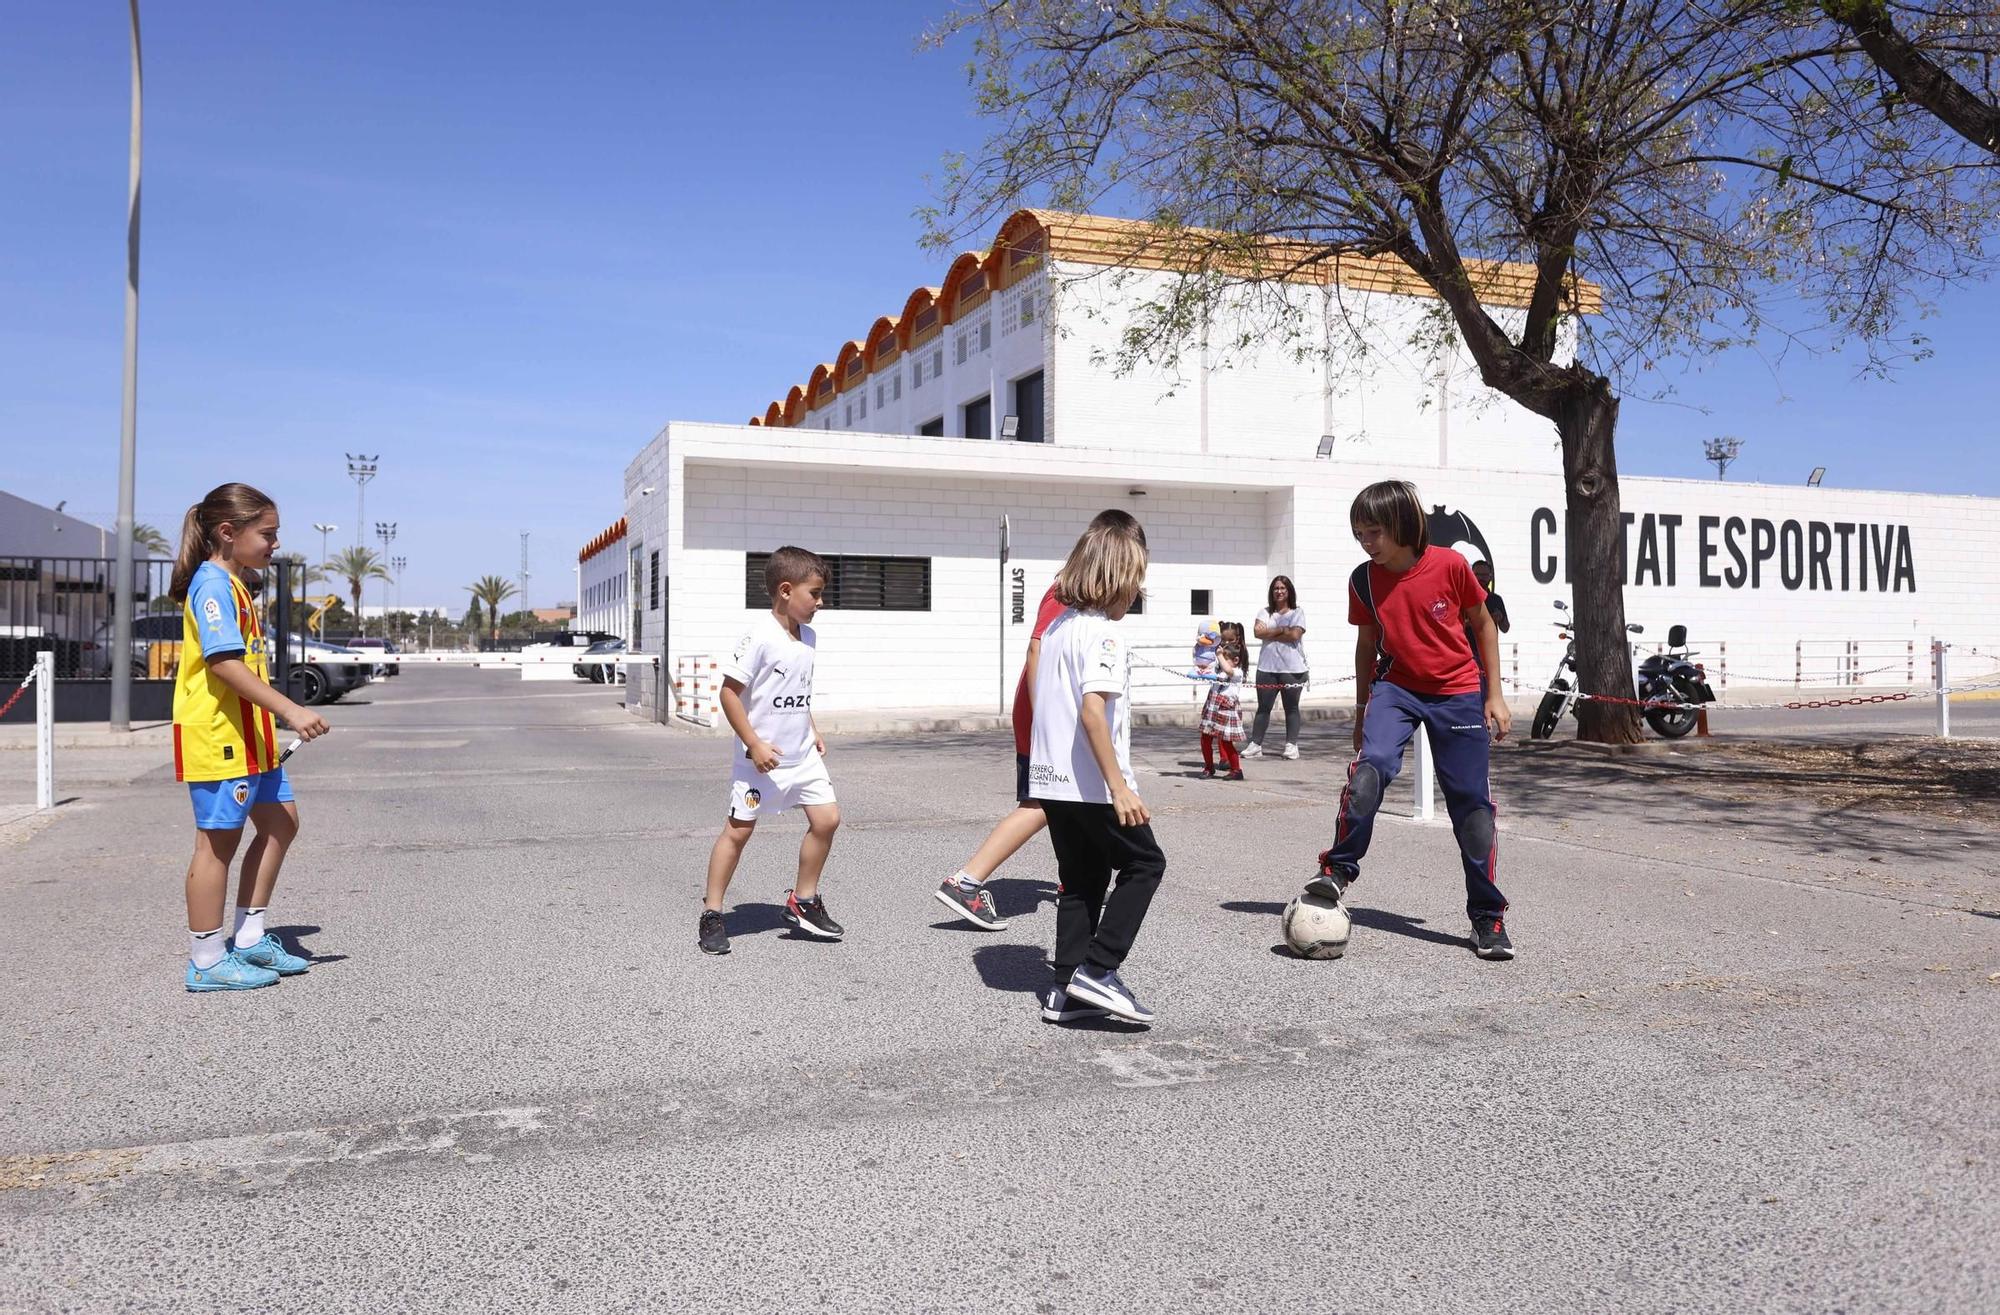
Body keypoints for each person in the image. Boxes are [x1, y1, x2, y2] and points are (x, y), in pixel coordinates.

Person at [1307, 480, 1516, 960]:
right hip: (1397, 689)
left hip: (1458, 692)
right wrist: (1362, 713)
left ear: (1402, 523)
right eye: (1359, 533)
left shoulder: (1450, 565)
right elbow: (1365, 647)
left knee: (1472, 808)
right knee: (1369, 771)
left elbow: (1484, 625)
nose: (1366, 542)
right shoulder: (1363, 580)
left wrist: (1495, 696)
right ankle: (1336, 870)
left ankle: (1488, 917)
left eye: (1374, 531)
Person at [934, 510, 1149, 931]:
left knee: (1057, 803)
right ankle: (967, 880)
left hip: (1053, 714)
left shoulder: (1074, 592)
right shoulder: (1068, 593)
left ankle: (1077, 880)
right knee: (1043, 801)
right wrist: (1043, 720)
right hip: (1048, 716)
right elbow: (1036, 652)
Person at [169, 483, 330, 992]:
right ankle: (208, 959)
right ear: (227, 532)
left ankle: (251, 936)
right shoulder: (212, 585)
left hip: (251, 736)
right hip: (219, 735)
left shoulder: (237, 583)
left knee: (281, 823)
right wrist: (289, 708)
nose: (275, 543)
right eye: (268, 534)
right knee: (216, 845)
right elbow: (223, 663)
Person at [1028, 518, 1163, 1025]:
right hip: (1092, 785)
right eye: (1136, 584)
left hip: (1052, 780)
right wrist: (1119, 787)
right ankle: (1099, 970)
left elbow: (1047, 698)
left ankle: (1065, 991)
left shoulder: (1059, 628)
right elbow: (1091, 713)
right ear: (1116, 581)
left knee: (1081, 880)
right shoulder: (1104, 636)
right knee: (1145, 864)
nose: (1137, 595)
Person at [700, 546, 842, 955]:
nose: (820, 602)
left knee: (828, 819)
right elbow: (728, 694)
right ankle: (712, 913)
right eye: (814, 594)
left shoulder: (809, 636)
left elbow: (797, 691)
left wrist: (811, 729)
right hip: (761, 760)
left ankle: (804, 901)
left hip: (802, 756)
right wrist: (755, 743)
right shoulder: (759, 637)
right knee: (739, 831)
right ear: (785, 591)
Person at [1245, 575, 1308, 759]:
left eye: (1282, 588)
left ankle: (1291, 745)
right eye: (1276, 588)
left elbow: (1295, 635)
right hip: (1267, 668)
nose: (1279, 591)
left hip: (1292, 669)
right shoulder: (1264, 612)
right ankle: (1256, 744)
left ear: (1289, 591)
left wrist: (1271, 633)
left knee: (1291, 707)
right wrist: (1282, 630)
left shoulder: (1297, 612)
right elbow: (1258, 632)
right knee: (1263, 707)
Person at [1198, 621, 1248, 780]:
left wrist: (1220, 655)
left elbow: (1228, 670)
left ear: (1235, 660)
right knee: (1205, 737)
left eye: (1227, 659)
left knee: (1226, 741)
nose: (1222, 662)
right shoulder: (1218, 668)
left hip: (1226, 708)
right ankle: (1208, 767)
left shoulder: (1237, 672)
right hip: (1213, 705)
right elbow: (1208, 668)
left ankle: (1236, 770)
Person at [1466, 560, 1510, 671]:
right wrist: (1484, 620)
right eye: (1478, 575)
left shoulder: (1496, 599)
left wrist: (1500, 618)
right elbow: (1456, 626)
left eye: (1485, 575)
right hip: (1468, 652)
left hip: (1489, 652)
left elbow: (1505, 628)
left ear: (1490, 577)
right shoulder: (1464, 598)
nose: (1481, 578)